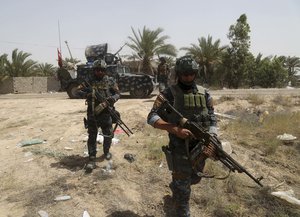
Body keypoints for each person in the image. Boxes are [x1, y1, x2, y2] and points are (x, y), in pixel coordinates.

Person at [147, 56, 218, 217]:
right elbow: (151, 117)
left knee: (195, 178)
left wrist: (212, 137)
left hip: (200, 148)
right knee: (183, 193)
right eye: (184, 74)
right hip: (179, 148)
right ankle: (181, 205)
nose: (188, 77)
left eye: (191, 74)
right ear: (178, 74)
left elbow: (212, 117)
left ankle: (177, 185)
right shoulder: (168, 94)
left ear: (195, 73)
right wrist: (174, 129)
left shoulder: (204, 93)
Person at [77, 59, 120, 172]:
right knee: (92, 135)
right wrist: (88, 94)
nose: (99, 72)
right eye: (97, 70)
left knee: (108, 134)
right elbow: (78, 91)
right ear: (94, 70)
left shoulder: (110, 81)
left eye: (101, 70)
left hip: (106, 112)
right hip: (92, 112)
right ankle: (92, 158)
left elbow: (117, 93)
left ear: (105, 70)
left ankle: (106, 151)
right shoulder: (88, 81)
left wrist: (112, 99)